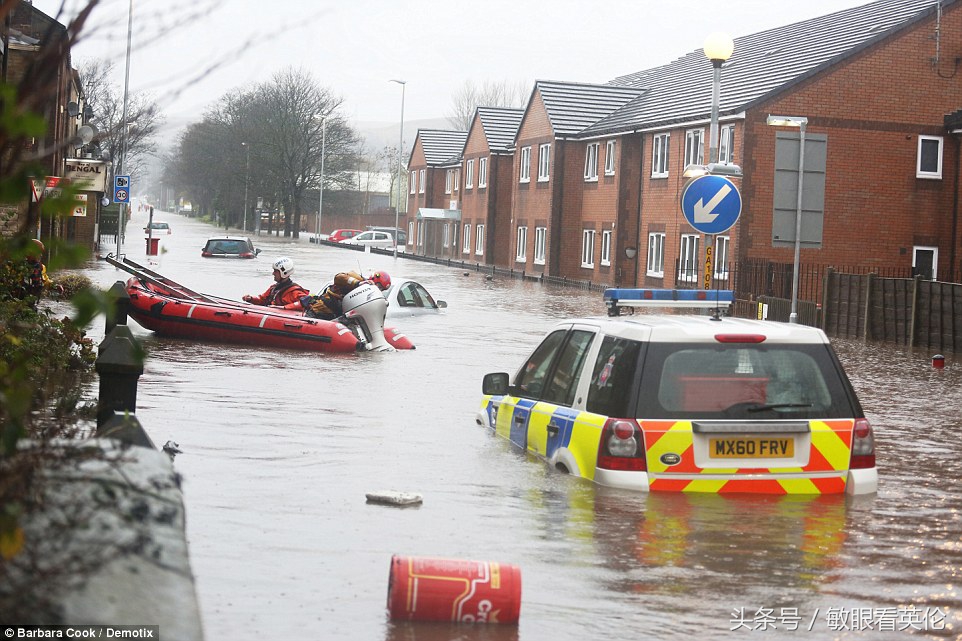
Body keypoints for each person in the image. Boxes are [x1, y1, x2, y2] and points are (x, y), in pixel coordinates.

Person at [288, 270, 391, 320]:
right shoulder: (358, 279)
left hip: (336, 316)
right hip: (320, 311)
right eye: (379, 286)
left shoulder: (369, 296)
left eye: (381, 289)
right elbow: (339, 277)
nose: (378, 290)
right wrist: (357, 283)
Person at [242, 257, 310, 307]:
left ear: (283, 272)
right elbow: (262, 300)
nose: (273, 273)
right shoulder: (273, 288)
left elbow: (306, 303)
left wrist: (283, 308)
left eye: (275, 271)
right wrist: (251, 299)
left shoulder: (294, 292)